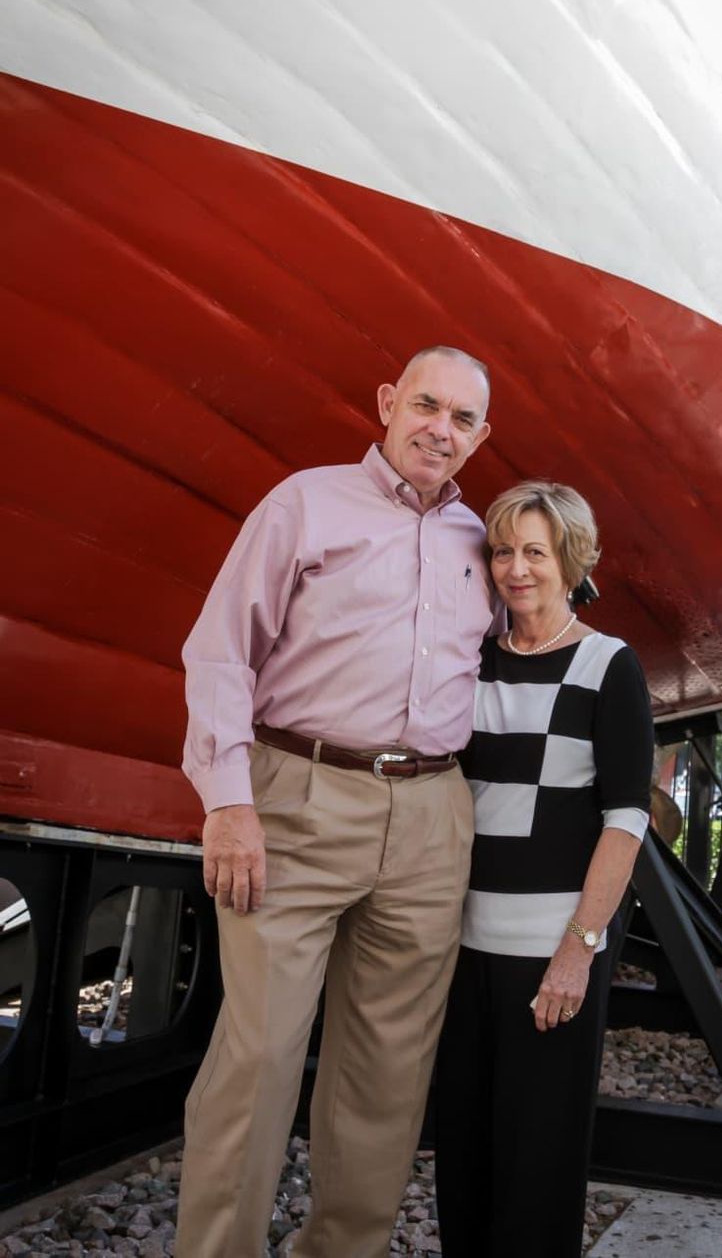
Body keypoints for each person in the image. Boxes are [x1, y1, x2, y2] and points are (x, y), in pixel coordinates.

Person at [174, 346, 495, 1258]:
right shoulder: (305, 503)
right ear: (389, 404)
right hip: (295, 804)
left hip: (432, 814)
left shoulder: (482, 541)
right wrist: (229, 804)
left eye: (463, 419)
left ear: (480, 437)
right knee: (260, 1060)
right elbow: (220, 654)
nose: (441, 429)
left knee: (388, 1078)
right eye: (427, 405)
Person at [434, 481, 654, 1258]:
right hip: (459, 952)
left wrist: (579, 948)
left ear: (571, 561)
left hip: (547, 957)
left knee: (539, 1166)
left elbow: (627, 818)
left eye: (536, 551)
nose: (516, 569)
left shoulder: (607, 666)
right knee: (462, 1157)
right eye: (503, 551)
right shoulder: (472, 659)